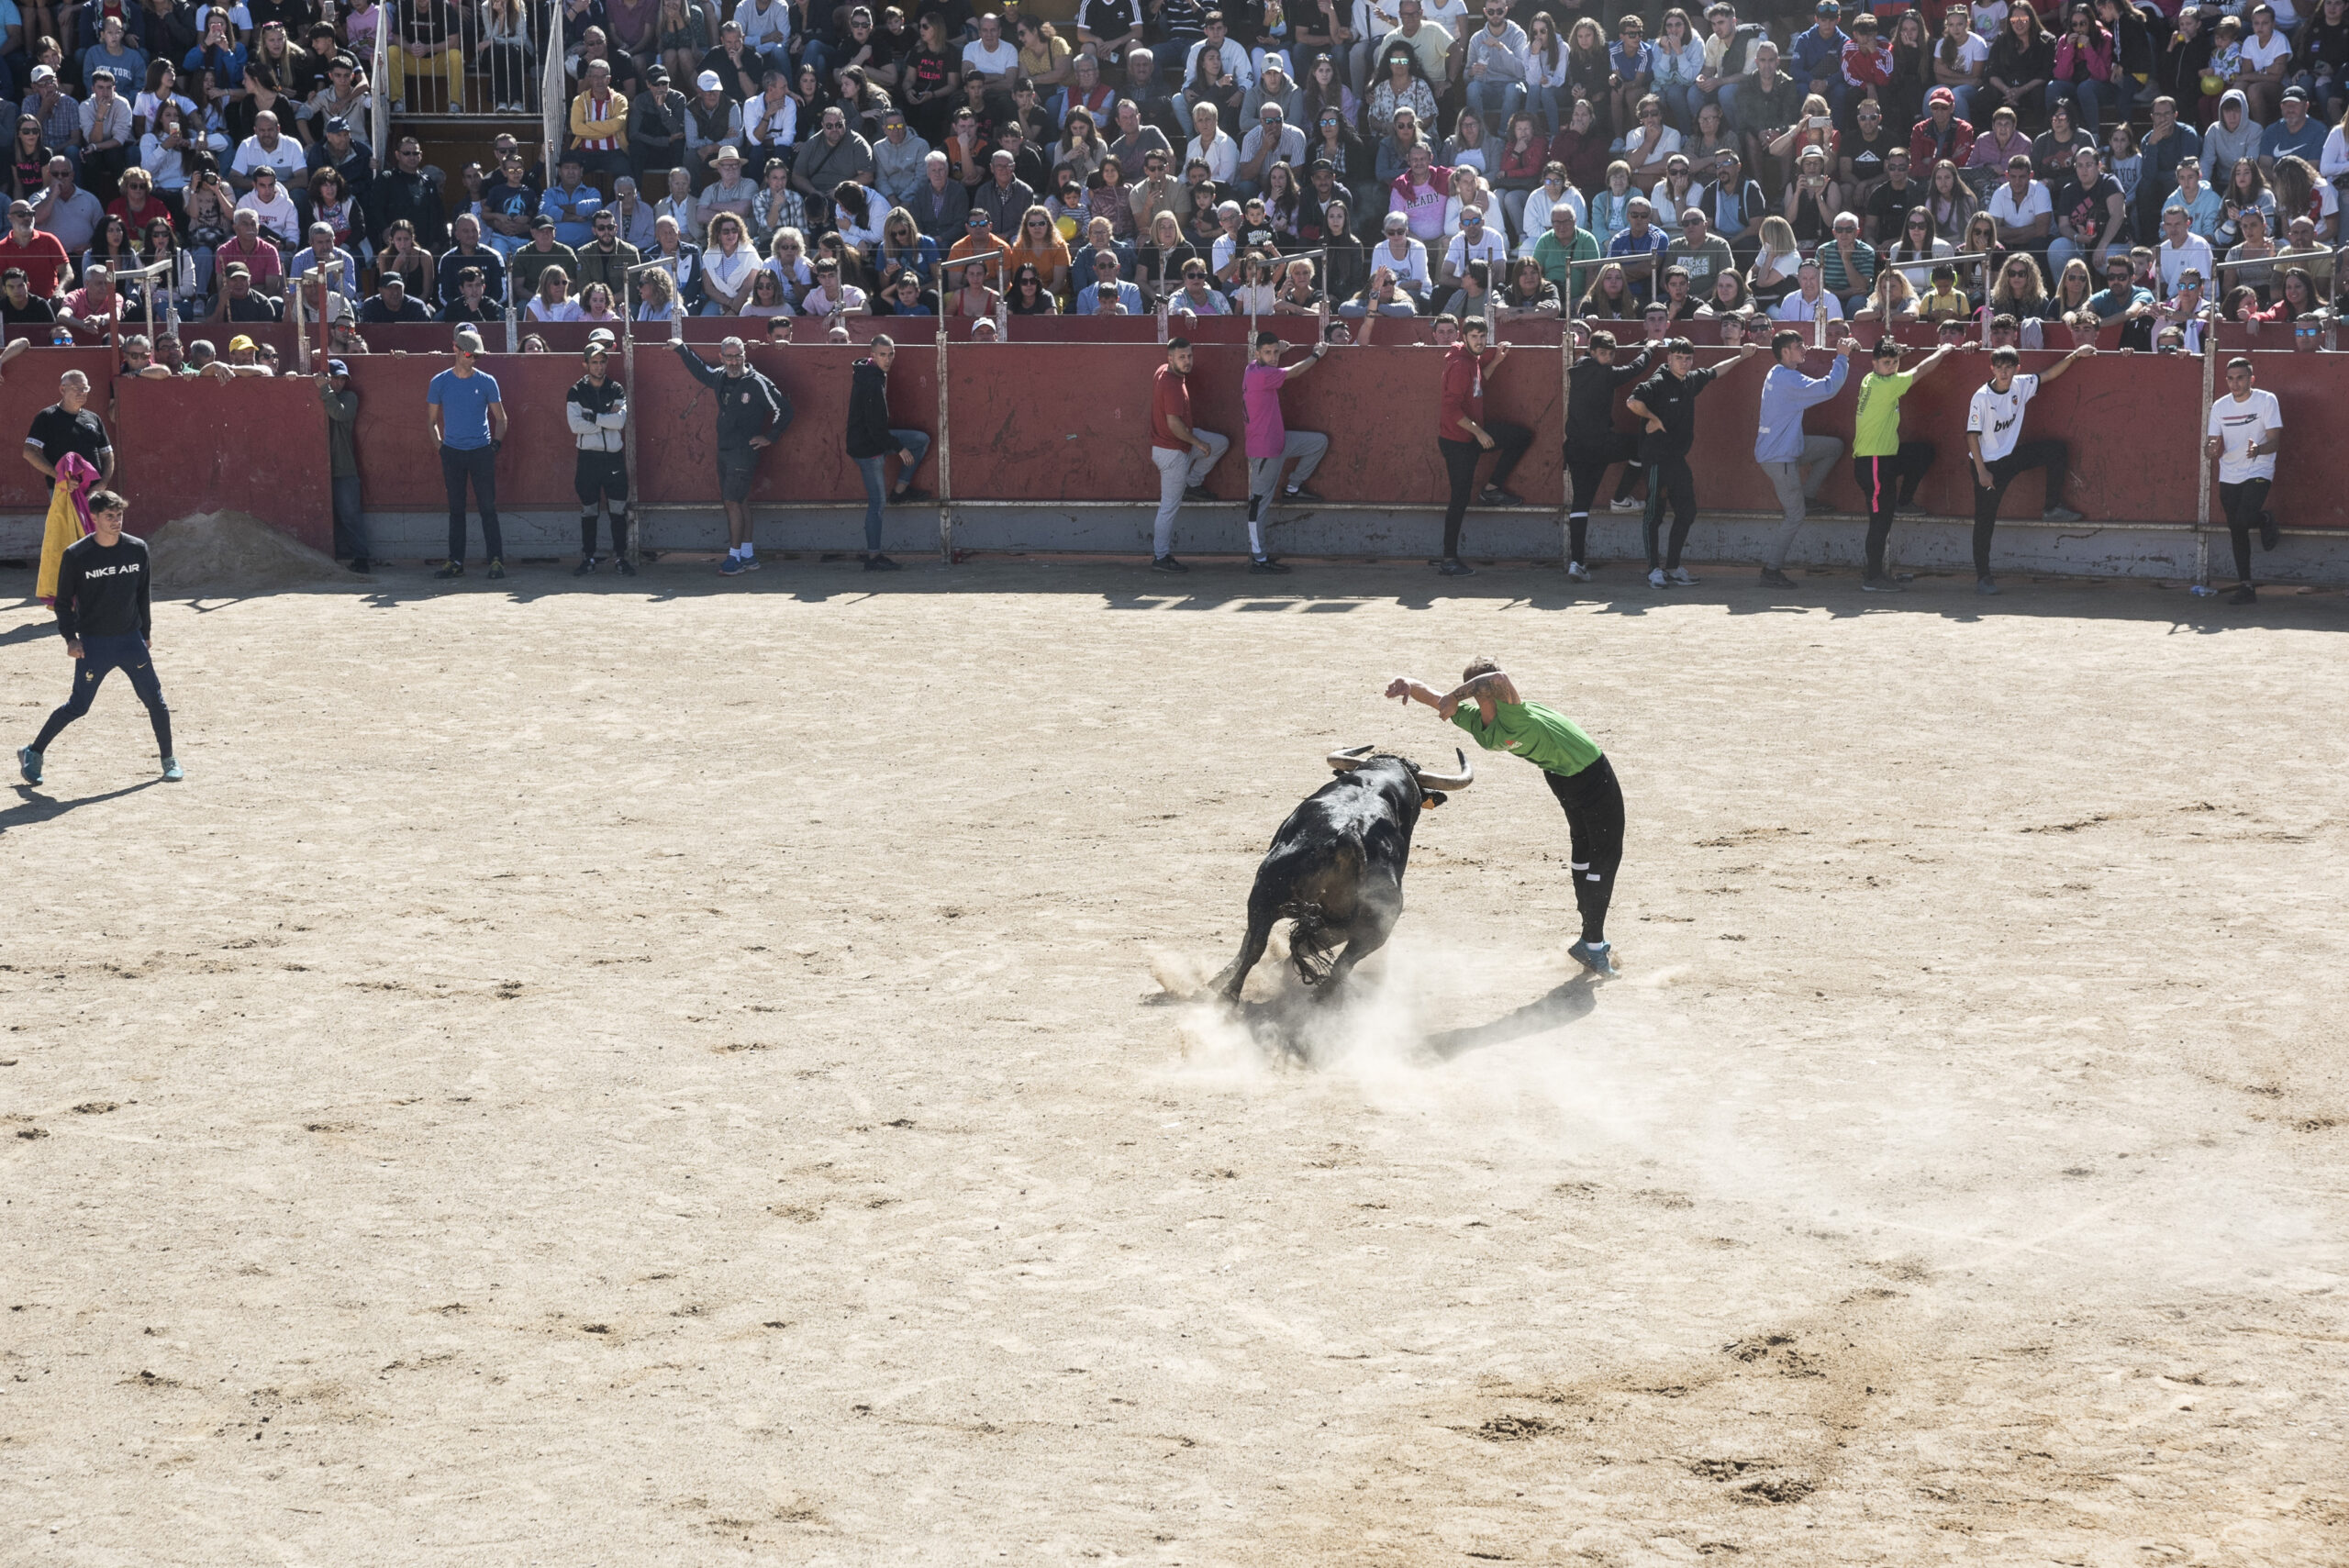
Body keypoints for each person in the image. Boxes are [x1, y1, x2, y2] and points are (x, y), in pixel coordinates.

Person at [1383, 658, 1625, 978]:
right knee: (1605, 858)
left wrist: (1410, 685)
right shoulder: (1513, 713)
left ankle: (1589, 925)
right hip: (1590, 775)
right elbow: (1497, 678)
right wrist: (1457, 693)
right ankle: (1592, 944)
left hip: (1560, 777)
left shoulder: (1478, 725)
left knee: (1583, 850)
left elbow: (1435, 698)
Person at [17, 491, 182, 788]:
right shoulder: (77, 555)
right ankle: (33, 752)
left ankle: (169, 760)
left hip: (130, 640)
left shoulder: (137, 549)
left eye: (119, 515)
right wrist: (70, 639)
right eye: (109, 516)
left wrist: (145, 634)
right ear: (93, 517)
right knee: (78, 706)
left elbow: (142, 594)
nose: (116, 521)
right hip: (94, 644)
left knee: (155, 702)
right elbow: (63, 601)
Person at [1626, 334, 1762, 587]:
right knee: (1653, 514)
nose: (1684, 363)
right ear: (1669, 358)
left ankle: (1674, 567)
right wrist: (1653, 418)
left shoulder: (1689, 380)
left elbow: (1714, 372)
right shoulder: (1658, 381)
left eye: (1688, 359)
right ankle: (1654, 569)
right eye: (1679, 358)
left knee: (1687, 511)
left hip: (1677, 458)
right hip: (1656, 458)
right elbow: (1633, 402)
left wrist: (1742, 357)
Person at [1965, 339, 2092, 595]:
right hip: (1988, 464)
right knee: (1985, 520)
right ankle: (1983, 576)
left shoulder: (2021, 386)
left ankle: (2051, 507)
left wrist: (2076, 355)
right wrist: (1982, 471)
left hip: (2010, 456)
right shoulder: (1981, 397)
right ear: (1991, 369)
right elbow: (1971, 436)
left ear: (2017, 368)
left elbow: (2048, 375)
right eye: (1999, 367)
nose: (2004, 372)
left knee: (2056, 450)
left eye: (2009, 367)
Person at [1851, 336, 1967, 592]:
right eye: (1886, 362)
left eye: (1894, 362)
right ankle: (1872, 577)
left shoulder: (1869, 379)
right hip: (1875, 464)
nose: (1892, 366)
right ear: (1874, 362)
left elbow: (1893, 367)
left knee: (1922, 453)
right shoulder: (1889, 385)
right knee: (1880, 522)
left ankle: (1904, 502)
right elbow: (1921, 370)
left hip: (1880, 460)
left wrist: (1897, 356)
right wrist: (1944, 351)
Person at [673, 328, 790, 576]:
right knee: (741, 500)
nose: (734, 361)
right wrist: (682, 349)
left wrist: (770, 437)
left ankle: (734, 557)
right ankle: (747, 555)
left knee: (732, 502)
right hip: (726, 448)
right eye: (729, 357)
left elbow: (784, 409)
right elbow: (701, 372)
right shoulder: (721, 377)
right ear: (722, 356)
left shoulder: (757, 383)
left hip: (743, 452)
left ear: (745, 355)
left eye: (738, 356)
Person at [1753, 327, 1856, 589]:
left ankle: (1808, 497)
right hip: (1781, 457)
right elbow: (1829, 388)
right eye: (1799, 346)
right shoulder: (1788, 379)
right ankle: (1771, 570)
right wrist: (1842, 356)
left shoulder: (1777, 372)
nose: (1804, 349)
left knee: (1832, 447)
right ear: (1785, 351)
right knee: (1795, 516)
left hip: (1784, 450)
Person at [1434, 317, 1531, 578]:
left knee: (1520, 437)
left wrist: (1497, 361)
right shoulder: (1459, 364)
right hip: (1458, 441)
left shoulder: (1470, 360)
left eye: (1482, 336)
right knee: (1460, 498)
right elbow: (1450, 408)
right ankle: (1448, 559)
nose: (1479, 341)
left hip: (1470, 437)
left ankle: (1491, 489)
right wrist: (1478, 432)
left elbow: (1478, 384)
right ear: (1464, 337)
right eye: (1474, 336)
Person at [1239, 330, 1333, 574]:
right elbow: (1295, 371)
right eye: (1267, 353)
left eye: (1275, 353)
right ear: (1258, 353)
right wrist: (1316, 355)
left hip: (1279, 440)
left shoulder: (1252, 367)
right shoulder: (1263, 374)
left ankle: (1293, 488)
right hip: (1265, 451)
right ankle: (1258, 559)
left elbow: (1273, 358)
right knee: (1258, 504)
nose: (1272, 357)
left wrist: (1280, 348)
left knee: (1318, 443)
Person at [1562, 328, 1653, 579]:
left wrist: (1638, 344)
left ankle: (1576, 563)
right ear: (1593, 352)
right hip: (1600, 445)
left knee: (1581, 503)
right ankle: (1621, 498)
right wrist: (1649, 350)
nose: (1608, 358)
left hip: (1576, 446)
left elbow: (1613, 363)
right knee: (1640, 446)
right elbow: (1634, 369)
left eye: (1611, 354)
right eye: (1604, 353)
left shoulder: (1581, 365)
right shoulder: (1606, 374)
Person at [24, 371, 117, 605]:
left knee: (101, 540)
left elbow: (108, 455)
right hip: (64, 493)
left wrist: (103, 484)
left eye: (85, 389)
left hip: (95, 494)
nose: (81, 393)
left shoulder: (93, 419)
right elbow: (29, 452)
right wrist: (59, 476)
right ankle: (70, 598)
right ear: (62, 389)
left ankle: (98, 594)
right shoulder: (47, 417)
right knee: (69, 545)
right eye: (76, 388)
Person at [427, 330, 510, 582]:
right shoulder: (439, 382)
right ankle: (456, 561)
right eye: (468, 354)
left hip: (480, 451)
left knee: (488, 508)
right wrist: (441, 448)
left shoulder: (487, 381)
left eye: (476, 355)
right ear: (455, 349)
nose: (472, 359)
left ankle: (496, 560)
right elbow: (431, 422)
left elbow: (501, 417)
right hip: (452, 452)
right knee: (456, 509)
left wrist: (495, 444)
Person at [845, 333, 932, 573]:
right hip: (867, 448)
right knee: (877, 503)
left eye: (890, 354)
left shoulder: (871, 374)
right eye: (883, 355)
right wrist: (898, 447)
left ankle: (901, 489)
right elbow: (875, 428)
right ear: (872, 355)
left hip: (871, 440)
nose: (888, 359)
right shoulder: (872, 382)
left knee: (921, 440)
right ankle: (873, 557)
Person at [2204, 355, 2283, 605]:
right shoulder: (2219, 406)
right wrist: (2211, 449)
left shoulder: (2266, 400)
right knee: (2236, 528)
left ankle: (2263, 518)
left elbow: (2275, 441)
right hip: (2229, 472)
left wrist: (2258, 450)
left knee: (2244, 518)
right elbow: (2210, 444)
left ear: (2251, 379)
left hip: (2259, 468)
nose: (2235, 383)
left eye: (2240, 378)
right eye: (2230, 379)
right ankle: (2246, 586)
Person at [1147, 335, 1228, 574]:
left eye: (1190, 356)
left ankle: (1192, 483)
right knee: (1169, 507)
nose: (1187, 361)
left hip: (1176, 444)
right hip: (1172, 452)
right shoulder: (1171, 384)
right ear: (1170, 358)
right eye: (1182, 357)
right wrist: (1198, 443)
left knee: (1220, 443)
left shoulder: (1164, 370)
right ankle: (1160, 557)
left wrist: (1198, 442)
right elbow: (1174, 424)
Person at [567, 341, 634, 579]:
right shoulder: (576, 390)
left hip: (613, 460)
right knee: (589, 511)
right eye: (594, 362)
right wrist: (605, 422)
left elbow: (619, 423)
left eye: (602, 361)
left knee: (618, 510)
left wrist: (593, 418)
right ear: (585, 363)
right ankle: (588, 558)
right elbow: (575, 426)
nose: (598, 366)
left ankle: (621, 558)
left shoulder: (616, 388)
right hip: (588, 459)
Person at [320, 357, 372, 574]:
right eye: (335, 378)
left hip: (343, 466)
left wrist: (324, 389)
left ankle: (361, 558)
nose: (339, 383)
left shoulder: (349, 397)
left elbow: (340, 413)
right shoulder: (320, 393)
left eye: (343, 379)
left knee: (350, 515)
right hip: (321, 467)